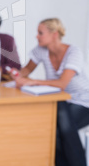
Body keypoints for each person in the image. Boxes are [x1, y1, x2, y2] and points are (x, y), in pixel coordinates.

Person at [9, 18, 89, 166]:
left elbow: (62, 84)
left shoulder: (73, 52)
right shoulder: (41, 50)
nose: (36, 36)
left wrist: (33, 81)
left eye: (40, 33)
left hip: (83, 102)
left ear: (54, 34)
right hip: (61, 101)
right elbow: (27, 70)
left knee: (59, 131)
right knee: (52, 128)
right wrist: (17, 74)